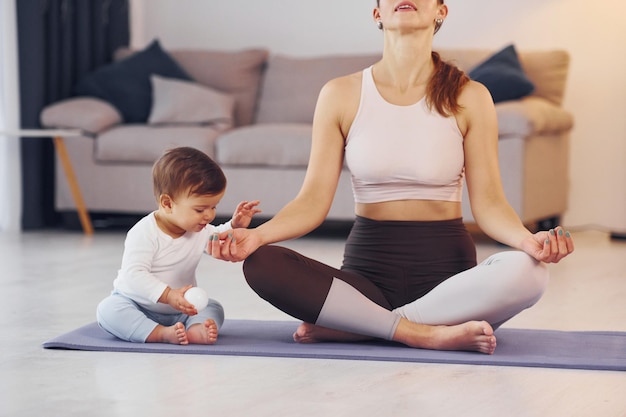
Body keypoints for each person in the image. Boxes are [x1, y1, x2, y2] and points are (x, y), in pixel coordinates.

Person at [208, 0, 575, 354]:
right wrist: (256, 237)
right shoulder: (340, 94)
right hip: (367, 277)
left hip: (448, 281)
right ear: (376, 13)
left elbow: (490, 202)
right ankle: (421, 333)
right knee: (262, 264)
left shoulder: (471, 96)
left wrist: (529, 242)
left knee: (532, 273)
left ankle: (366, 328)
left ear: (440, 11)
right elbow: (311, 202)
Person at [97, 146, 261, 345]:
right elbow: (134, 275)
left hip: (182, 310)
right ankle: (160, 333)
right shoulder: (144, 233)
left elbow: (217, 237)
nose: (209, 216)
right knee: (108, 310)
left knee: (213, 308)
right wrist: (168, 295)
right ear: (167, 203)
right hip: (136, 305)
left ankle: (194, 328)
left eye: (213, 207)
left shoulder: (197, 229)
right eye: (200, 209)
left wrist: (234, 226)